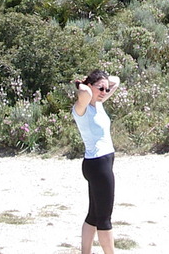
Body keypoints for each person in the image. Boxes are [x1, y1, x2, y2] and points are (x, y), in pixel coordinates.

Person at [72, 70, 120, 254]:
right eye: (100, 88)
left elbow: (116, 80)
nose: (104, 91)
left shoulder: (99, 103)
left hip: (101, 164)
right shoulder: (81, 109)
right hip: (98, 166)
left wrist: (101, 85)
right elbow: (84, 93)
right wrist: (82, 84)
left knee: (93, 215)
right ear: (90, 87)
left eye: (105, 89)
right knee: (105, 219)